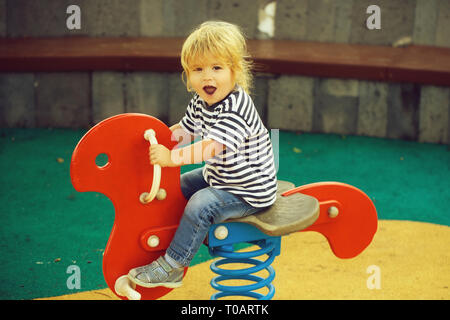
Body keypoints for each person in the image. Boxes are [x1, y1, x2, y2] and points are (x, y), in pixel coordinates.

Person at [128, 21, 278, 288]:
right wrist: (159, 141)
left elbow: (210, 147)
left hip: (249, 190)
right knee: (179, 185)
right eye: (198, 69)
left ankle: (173, 264)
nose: (207, 77)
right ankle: (168, 234)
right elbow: (185, 131)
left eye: (217, 67)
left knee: (200, 203)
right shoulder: (202, 100)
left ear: (235, 71)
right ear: (188, 75)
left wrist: (171, 158)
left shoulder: (236, 107)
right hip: (220, 175)